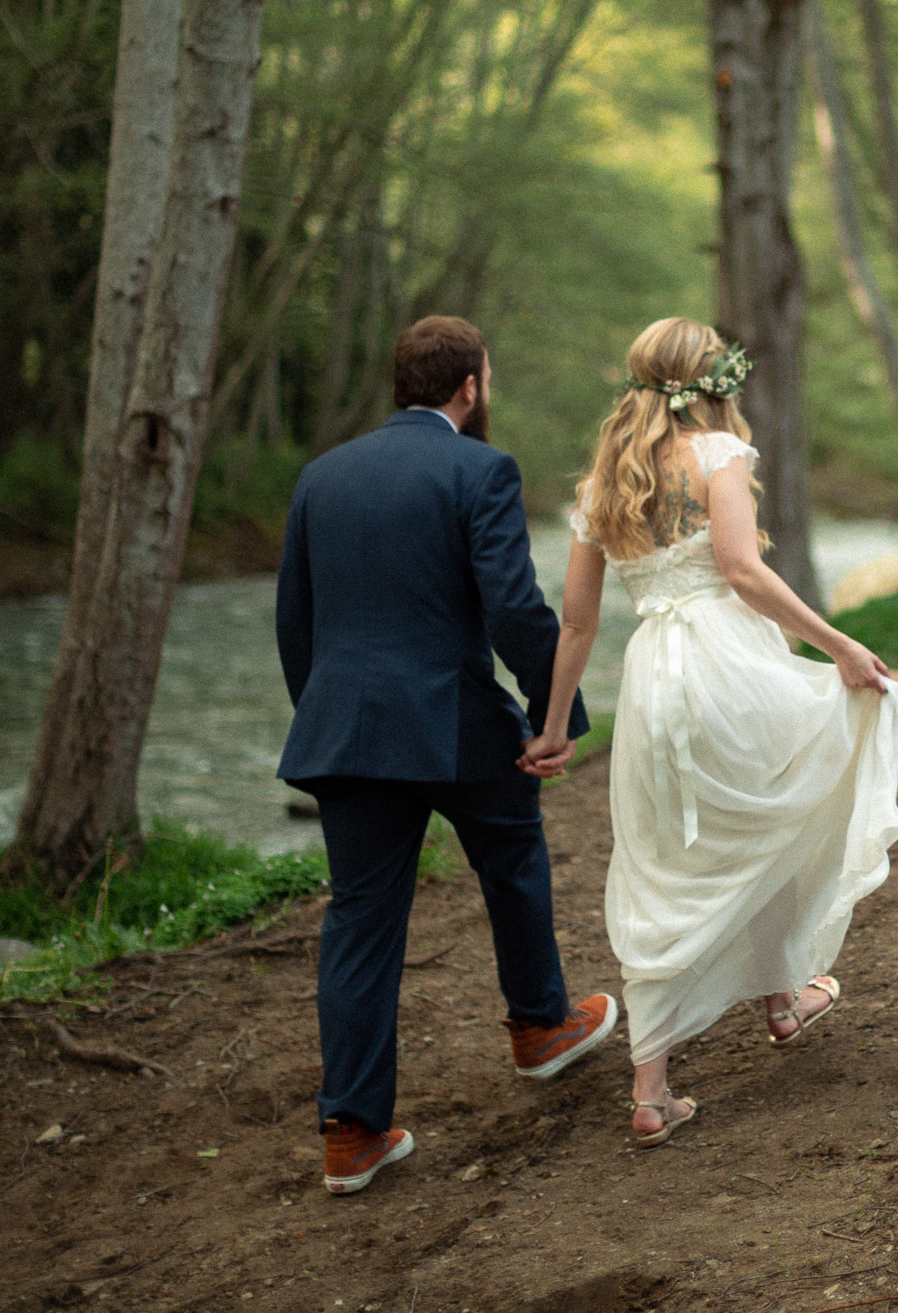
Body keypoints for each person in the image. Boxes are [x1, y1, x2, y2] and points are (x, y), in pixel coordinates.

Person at [524, 318, 898, 1149]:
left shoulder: (601, 486)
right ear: (712, 384)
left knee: (668, 860)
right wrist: (839, 646)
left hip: (654, 684)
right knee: (772, 815)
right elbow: (741, 569)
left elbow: (578, 624)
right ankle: (782, 995)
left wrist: (552, 728)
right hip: (731, 669)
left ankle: (658, 1085)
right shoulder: (719, 458)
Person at [276, 316, 618, 1195]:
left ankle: (350, 1134)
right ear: (470, 387)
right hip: (452, 724)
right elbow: (513, 606)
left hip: (344, 732)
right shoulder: (479, 468)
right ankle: (541, 1027)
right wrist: (554, 716)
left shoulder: (321, 477)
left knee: (358, 920)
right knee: (510, 853)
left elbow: (296, 624)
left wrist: (329, 721)